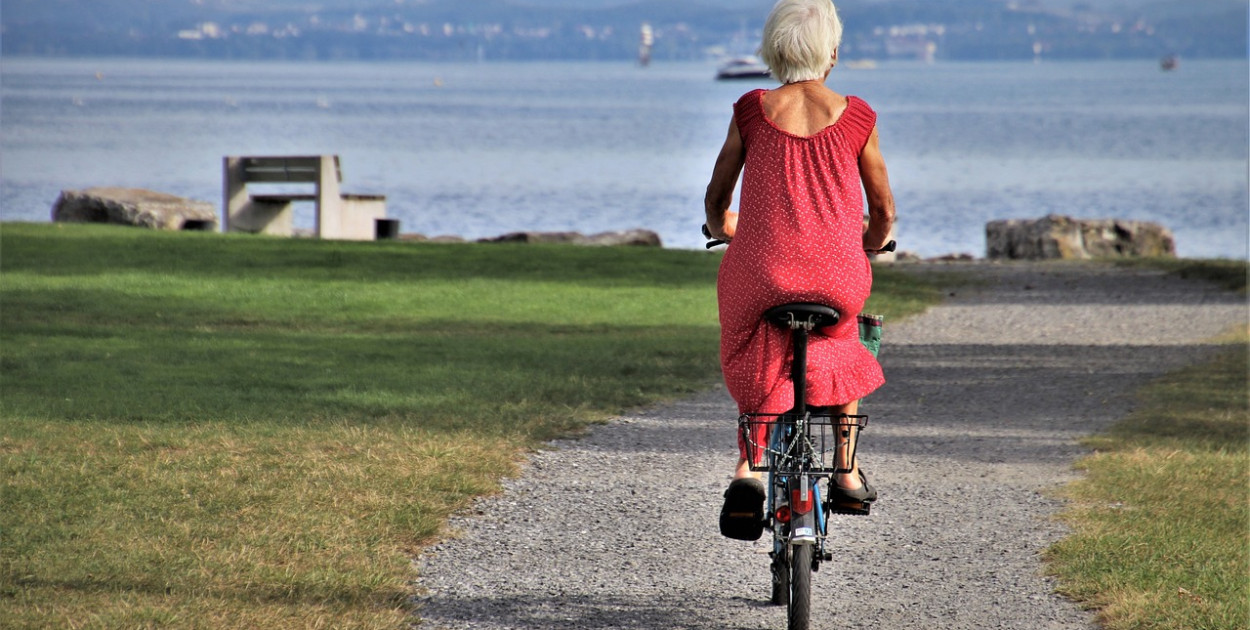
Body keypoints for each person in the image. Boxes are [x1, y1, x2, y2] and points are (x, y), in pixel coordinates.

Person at [704, 0, 896, 540]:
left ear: (773, 50)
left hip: (761, 273)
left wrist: (723, 227)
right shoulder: (858, 116)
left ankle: (749, 470)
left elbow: (717, 197)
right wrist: (873, 242)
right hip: (837, 275)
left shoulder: (750, 109)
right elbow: (881, 211)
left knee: (752, 339)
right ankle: (846, 469)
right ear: (831, 52)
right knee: (844, 341)